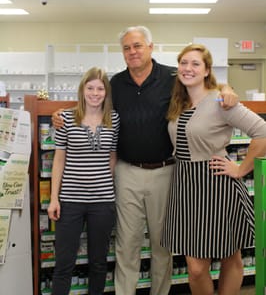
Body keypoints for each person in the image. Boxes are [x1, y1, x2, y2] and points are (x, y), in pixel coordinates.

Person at [52, 26, 238, 295]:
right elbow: (91, 104)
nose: (132, 52)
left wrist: (227, 87)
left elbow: (204, 85)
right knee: (127, 244)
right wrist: (60, 112)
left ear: (151, 47)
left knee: (162, 245)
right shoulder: (115, 84)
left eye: (138, 46)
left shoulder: (172, 78)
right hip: (126, 172)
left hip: (165, 171)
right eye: (127, 48)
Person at [161, 43, 266, 295]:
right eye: (184, 63)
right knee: (196, 268)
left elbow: (262, 132)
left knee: (231, 256)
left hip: (217, 185)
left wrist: (241, 169)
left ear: (207, 70)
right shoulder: (179, 102)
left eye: (195, 63)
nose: (188, 68)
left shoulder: (221, 101)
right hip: (186, 186)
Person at [47, 67, 120, 295]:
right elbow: (59, 159)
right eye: (90, 88)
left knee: (98, 263)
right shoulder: (66, 118)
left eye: (100, 88)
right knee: (64, 264)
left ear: (106, 92)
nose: (95, 93)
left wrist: (103, 182)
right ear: (82, 90)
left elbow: (112, 156)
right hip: (70, 201)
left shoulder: (113, 119)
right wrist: (53, 199)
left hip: (103, 202)